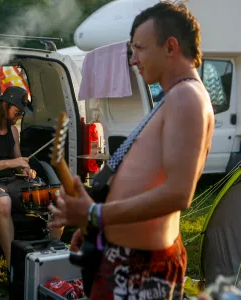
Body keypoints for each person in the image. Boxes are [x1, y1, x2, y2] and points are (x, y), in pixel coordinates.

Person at [49, 2, 214, 300]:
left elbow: (179, 193)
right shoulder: (174, 98)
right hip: (127, 260)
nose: (134, 59)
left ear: (170, 46)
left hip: (142, 268)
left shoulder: (187, 98)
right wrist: (97, 227)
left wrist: (94, 213)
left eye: (139, 48)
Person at [0, 85, 63, 268]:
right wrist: (10, 163)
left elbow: (18, 162)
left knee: (56, 198)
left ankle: (50, 254)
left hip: (12, 181)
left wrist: (26, 171)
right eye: (17, 112)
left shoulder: (13, 131)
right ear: (5, 105)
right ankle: (13, 266)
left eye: (21, 114)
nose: (19, 117)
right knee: (3, 202)